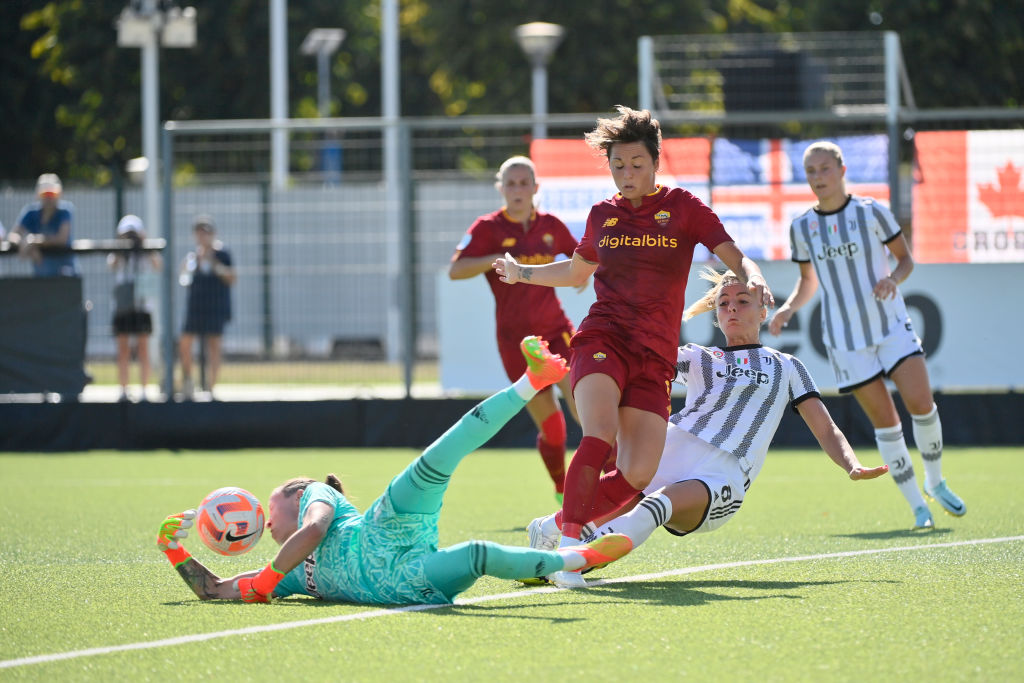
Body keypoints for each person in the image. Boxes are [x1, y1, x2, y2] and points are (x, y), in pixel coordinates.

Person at [493, 105, 774, 587]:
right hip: (604, 338)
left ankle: (551, 529)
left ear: (656, 163)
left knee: (637, 476)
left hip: (655, 355)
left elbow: (734, 254)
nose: (626, 174)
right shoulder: (603, 215)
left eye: (636, 164)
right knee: (598, 432)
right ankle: (567, 555)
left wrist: (755, 275)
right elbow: (577, 272)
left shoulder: (685, 208)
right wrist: (524, 274)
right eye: (618, 165)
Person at [155, 337, 633, 605]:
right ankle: (579, 559)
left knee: (439, 455)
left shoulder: (316, 500)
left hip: (386, 524)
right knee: (476, 555)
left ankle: (533, 381)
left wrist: (264, 579)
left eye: (270, 503)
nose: (264, 518)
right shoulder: (290, 576)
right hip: (406, 579)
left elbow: (316, 529)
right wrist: (175, 552)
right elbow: (214, 591)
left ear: (297, 492)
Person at [527, 268, 889, 581]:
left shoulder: (788, 367)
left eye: (743, 301)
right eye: (724, 302)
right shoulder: (699, 358)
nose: (732, 308)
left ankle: (570, 558)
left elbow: (826, 428)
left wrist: (851, 464)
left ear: (764, 310)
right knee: (598, 513)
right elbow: (640, 361)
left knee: (658, 506)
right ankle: (549, 540)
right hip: (668, 450)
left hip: (723, 473)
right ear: (716, 315)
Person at [768, 140, 965, 529]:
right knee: (886, 423)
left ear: (842, 170)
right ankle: (917, 508)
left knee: (921, 404)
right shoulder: (802, 226)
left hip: (890, 325)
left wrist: (892, 279)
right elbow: (808, 281)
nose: (818, 178)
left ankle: (936, 480)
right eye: (811, 171)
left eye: (825, 169)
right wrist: (790, 306)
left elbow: (905, 259)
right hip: (845, 339)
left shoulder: (871, 212)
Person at [449, 155, 587, 502]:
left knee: (586, 407)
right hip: (518, 343)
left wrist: (584, 274)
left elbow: (581, 256)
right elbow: (456, 269)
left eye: (524, 182)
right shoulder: (488, 227)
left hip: (558, 331)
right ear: (501, 189)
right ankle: (561, 489)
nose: (517, 189)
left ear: (535, 188)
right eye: (510, 183)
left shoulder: (551, 225)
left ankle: (613, 485)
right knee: (553, 430)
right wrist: (496, 260)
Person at [178, 215, 235, 400]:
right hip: (196, 306)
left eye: (206, 232)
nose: (203, 236)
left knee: (214, 345)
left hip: (215, 306)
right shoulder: (192, 257)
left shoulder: (222, 254)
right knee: (185, 342)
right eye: (199, 232)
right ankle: (188, 382)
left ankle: (211, 387)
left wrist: (212, 261)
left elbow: (231, 278)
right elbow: (183, 278)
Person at [107, 215, 163, 402]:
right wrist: (122, 247)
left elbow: (158, 265)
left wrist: (144, 245)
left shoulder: (147, 252)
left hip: (142, 304)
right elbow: (112, 265)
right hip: (123, 304)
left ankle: (144, 389)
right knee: (122, 348)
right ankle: (123, 389)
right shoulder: (118, 253)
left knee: (143, 348)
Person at [7, 173, 79, 277]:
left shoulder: (65, 211)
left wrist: (34, 242)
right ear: (38, 194)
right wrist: (26, 245)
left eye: (52, 194)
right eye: (45, 194)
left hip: (66, 275)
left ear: (59, 194)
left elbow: (61, 239)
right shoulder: (30, 213)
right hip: (41, 275)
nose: (49, 198)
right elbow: (13, 235)